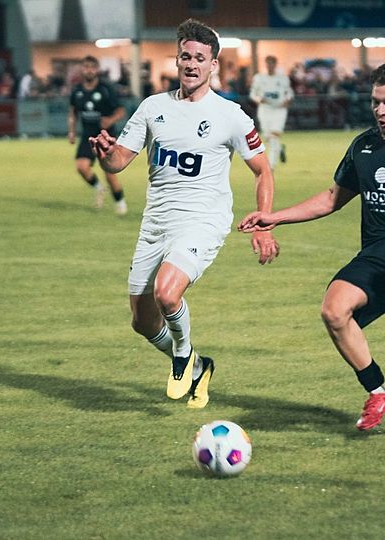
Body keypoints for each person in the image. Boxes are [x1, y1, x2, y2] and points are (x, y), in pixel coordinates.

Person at [239, 60, 385, 443]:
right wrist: (273, 217)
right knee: (334, 310)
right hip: (379, 252)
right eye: (376, 102)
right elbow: (332, 198)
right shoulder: (364, 145)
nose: (381, 110)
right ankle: (379, 393)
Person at [89, 19, 279, 408]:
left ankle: (182, 355)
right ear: (177, 60)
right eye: (185, 56)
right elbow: (118, 161)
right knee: (142, 322)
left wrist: (264, 222)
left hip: (202, 221)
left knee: (167, 292)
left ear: (214, 65)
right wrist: (106, 155)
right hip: (156, 223)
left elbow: (263, 171)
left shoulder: (230, 115)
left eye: (200, 58)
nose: (191, 64)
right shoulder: (152, 108)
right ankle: (198, 366)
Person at [69, 55, 128, 215]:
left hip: (105, 136)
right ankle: (99, 188)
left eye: (92, 67)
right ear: (82, 70)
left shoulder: (106, 89)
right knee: (82, 167)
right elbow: (73, 112)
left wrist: (110, 120)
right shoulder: (77, 90)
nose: (89, 70)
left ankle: (120, 203)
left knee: (110, 174)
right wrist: (72, 131)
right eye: (86, 67)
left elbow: (121, 111)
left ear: (97, 70)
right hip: (87, 135)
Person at [249, 55, 294, 168]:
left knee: (274, 135)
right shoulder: (259, 78)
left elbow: (289, 92)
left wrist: (287, 100)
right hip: (265, 109)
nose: (270, 66)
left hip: (279, 110)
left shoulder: (283, 78)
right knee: (268, 136)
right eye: (268, 63)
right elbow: (253, 94)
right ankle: (279, 149)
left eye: (272, 63)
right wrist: (259, 100)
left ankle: (271, 165)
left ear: (275, 64)